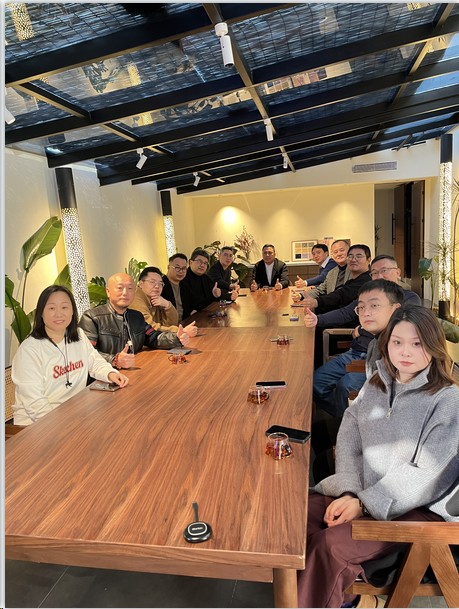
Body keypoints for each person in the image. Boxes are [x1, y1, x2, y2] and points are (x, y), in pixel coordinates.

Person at [297, 305, 459, 608]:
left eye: (417, 343)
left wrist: (363, 504)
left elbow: (426, 475)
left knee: (328, 546)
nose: (405, 352)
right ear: (387, 343)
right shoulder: (378, 383)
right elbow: (350, 435)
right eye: (397, 342)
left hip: (420, 510)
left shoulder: (447, 399)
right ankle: (347, 599)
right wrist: (349, 491)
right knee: (297, 516)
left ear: (433, 346)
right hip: (367, 492)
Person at [12, 285, 129, 426]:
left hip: (74, 413)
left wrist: (110, 373)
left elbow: (94, 361)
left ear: (72, 311)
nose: (59, 314)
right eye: (51, 308)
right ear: (41, 313)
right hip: (36, 425)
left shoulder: (78, 335)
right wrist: (65, 427)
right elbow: (35, 404)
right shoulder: (29, 350)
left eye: (64, 307)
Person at [306, 279, 404, 418]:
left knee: (346, 385)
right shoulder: (375, 342)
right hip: (356, 355)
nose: (366, 313)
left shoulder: (403, 343)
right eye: (361, 307)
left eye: (374, 305)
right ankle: (344, 417)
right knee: (313, 383)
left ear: (395, 309)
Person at [79, 272, 190, 369]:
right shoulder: (92, 317)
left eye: (130, 288)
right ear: (108, 291)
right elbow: (86, 353)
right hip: (105, 375)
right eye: (120, 288)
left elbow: (153, 337)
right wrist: (114, 359)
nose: (125, 292)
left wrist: (176, 338)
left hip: (133, 369)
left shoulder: (136, 316)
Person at [310, 254, 421, 330]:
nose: (379, 276)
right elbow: (345, 313)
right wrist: (318, 319)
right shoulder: (367, 297)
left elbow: (402, 325)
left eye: (384, 270)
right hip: (357, 349)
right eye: (375, 273)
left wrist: (361, 330)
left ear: (397, 272)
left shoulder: (410, 298)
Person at [180, 248, 237, 319]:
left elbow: (215, 293)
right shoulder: (183, 278)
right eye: (199, 261)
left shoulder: (205, 278)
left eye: (205, 263)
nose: (202, 265)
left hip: (201, 315)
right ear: (190, 262)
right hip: (187, 319)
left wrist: (230, 296)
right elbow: (194, 304)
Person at [161, 253, 192, 323]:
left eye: (184, 268)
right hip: (167, 326)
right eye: (177, 268)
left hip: (183, 324)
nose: (181, 271)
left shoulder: (185, 286)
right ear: (168, 267)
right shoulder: (160, 285)